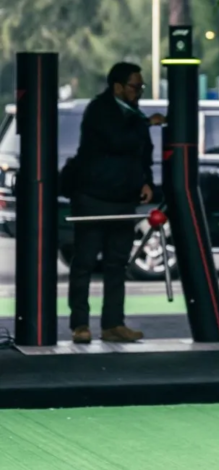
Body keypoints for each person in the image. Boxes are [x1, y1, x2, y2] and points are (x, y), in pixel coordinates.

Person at [67, 62, 165, 344]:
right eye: (135, 86)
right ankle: (80, 324)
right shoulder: (100, 110)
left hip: (123, 199)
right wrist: (147, 122)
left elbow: (142, 152)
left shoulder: (134, 113)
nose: (139, 92)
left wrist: (146, 181)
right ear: (117, 86)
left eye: (141, 87)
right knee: (85, 262)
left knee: (116, 263)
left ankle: (113, 323)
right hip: (93, 198)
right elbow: (116, 140)